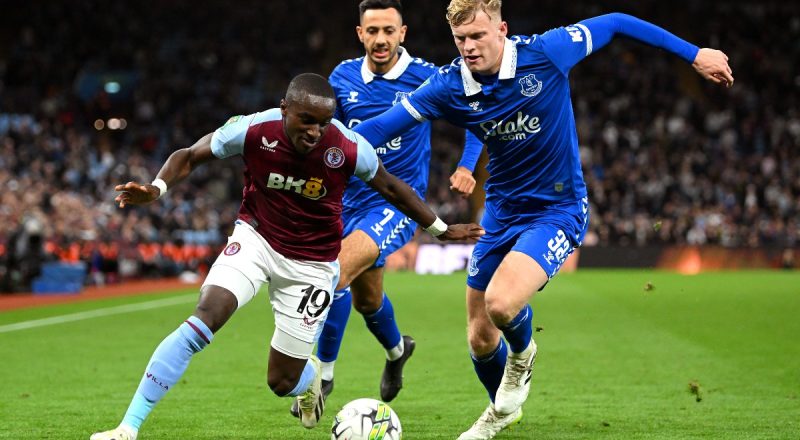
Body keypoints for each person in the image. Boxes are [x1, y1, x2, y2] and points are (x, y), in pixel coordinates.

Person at [351, 1, 734, 438]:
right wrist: (322, 146)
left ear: (502, 30)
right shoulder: (448, 85)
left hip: (557, 208)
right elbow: (378, 129)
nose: (469, 47)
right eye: (460, 39)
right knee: (479, 336)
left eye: (478, 36)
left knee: (501, 304)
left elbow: (616, 22)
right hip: (500, 212)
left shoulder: (548, 52)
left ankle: (523, 354)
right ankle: (502, 411)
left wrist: (694, 54)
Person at [90, 73, 484, 440]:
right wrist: (156, 188)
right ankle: (128, 427)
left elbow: (392, 188)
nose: (315, 132)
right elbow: (190, 155)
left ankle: (308, 380)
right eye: (306, 121)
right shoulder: (253, 129)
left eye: (323, 123)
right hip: (256, 240)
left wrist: (441, 230)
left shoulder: (348, 147)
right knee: (205, 316)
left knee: (281, 382)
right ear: (284, 109)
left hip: (313, 266)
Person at [290, 0, 485, 418]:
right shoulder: (342, 77)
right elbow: (329, 137)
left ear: (403, 33)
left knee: (335, 273)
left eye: (389, 30)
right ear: (360, 34)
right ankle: (398, 351)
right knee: (367, 300)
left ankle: (322, 377)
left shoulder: (427, 76)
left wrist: (467, 166)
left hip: (396, 203)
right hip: (346, 202)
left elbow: (474, 116)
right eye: (373, 31)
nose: (381, 39)